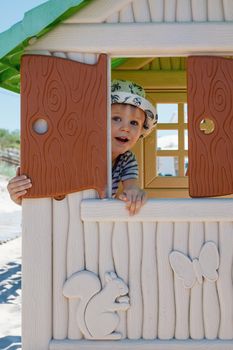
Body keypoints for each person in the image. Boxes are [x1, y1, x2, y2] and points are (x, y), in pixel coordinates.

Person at [7, 79, 157, 215]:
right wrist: (21, 194)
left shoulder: (126, 159)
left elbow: (131, 186)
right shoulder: (76, 150)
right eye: (116, 118)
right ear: (97, 121)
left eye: (134, 123)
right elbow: (45, 185)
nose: (126, 128)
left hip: (93, 223)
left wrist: (134, 193)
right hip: (61, 217)